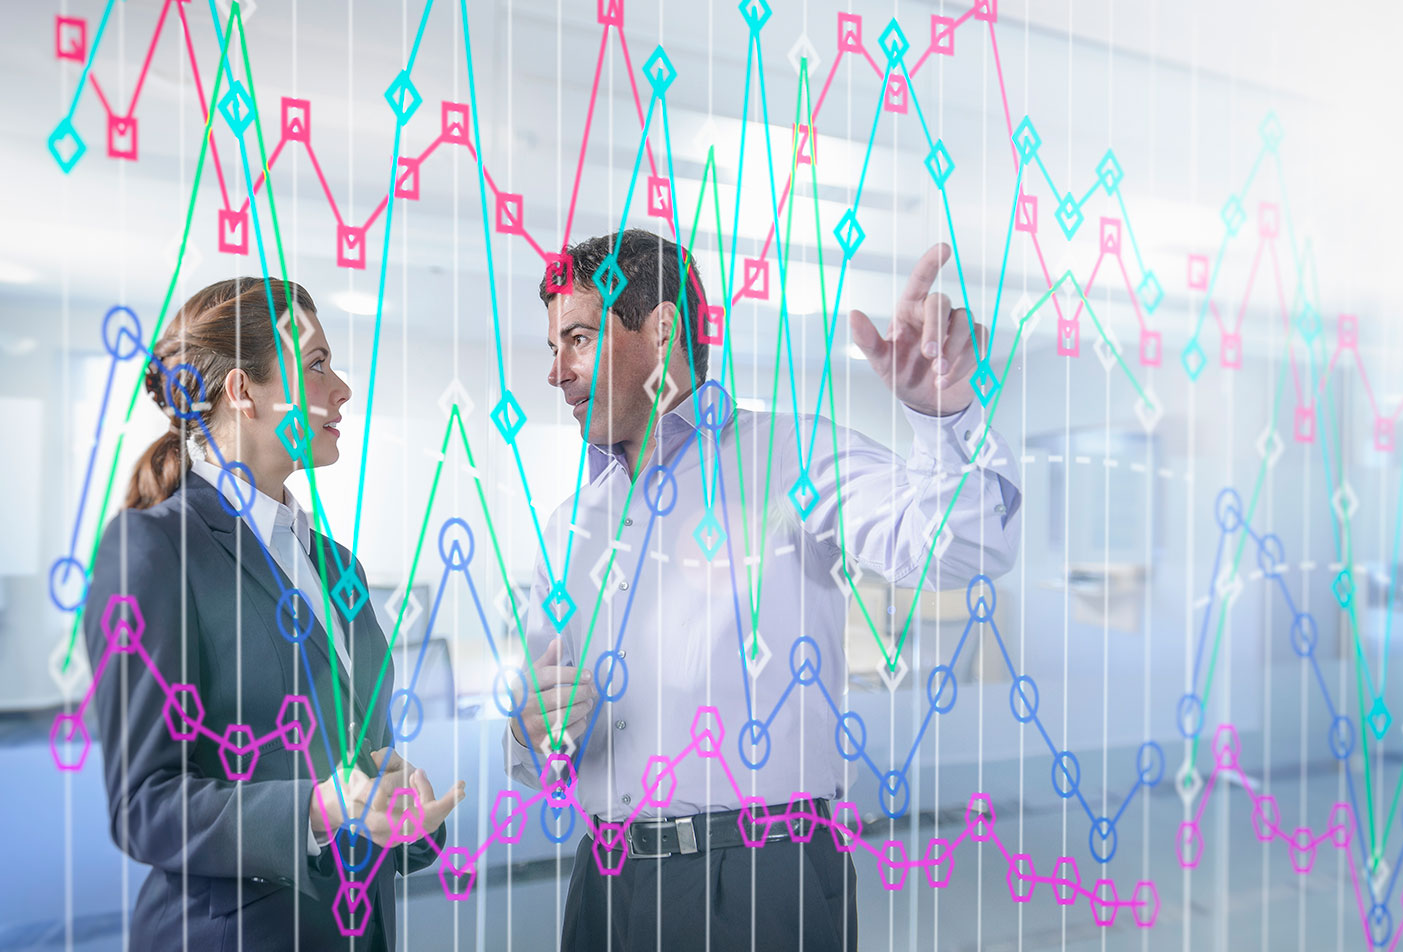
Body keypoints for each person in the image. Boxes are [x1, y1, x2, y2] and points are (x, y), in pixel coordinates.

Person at [504, 229, 1022, 950]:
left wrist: (943, 417)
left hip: (757, 880)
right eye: (553, 348)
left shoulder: (789, 456)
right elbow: (542, 720)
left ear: (661, 331)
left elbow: (965, 548)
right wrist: (529, 735)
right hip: (606, 882)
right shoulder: (569, 524)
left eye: (579, 339)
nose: (556, 372)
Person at [82, 277, 465, 951]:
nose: (341, 388)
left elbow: (357, 761)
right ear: (242, 391)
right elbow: (144, 805)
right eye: (316, 365)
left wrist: (400, 814)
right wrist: (317, 809)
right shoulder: (153, 552)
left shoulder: (336, 565)